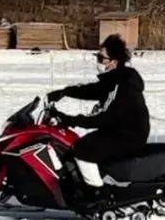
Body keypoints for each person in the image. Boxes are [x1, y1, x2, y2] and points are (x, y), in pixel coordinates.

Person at [47, 34, 150, 194]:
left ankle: (95, 195)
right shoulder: (115, 79)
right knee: (79, 143)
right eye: (97, 57)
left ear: (113, 62)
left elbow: (103, 118)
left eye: (102, 58)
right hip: (119, 131)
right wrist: (64, 92)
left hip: (128, 137)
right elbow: (92, 90)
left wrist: (68, 119)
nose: (98, 62)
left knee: (82, 149)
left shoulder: (121, 86)